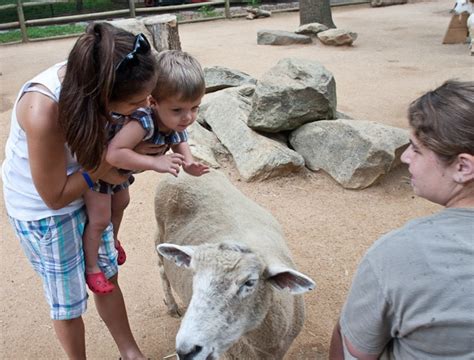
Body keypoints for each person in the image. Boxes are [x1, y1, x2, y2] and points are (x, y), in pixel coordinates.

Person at [2, 22, 161, 359]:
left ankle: (130, 353)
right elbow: (55, 195)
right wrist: (108, 165)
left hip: (88, 186)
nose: (146, 103)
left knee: (105, 273)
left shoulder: (99, 75)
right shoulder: (44, 110)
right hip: (45, 212)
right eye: (136, 101)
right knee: (69, 301)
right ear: (104, 97)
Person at [329, 80, 474, 359]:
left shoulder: (398, 254)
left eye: (417, 149)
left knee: (352, 325)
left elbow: (355, 352)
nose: (406, 157)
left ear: (463, 167)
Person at [82, 49, 209, 294]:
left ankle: (113, 242)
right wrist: (154, 162)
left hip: (119, 175)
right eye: (178, 110)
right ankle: (92, 268)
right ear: (153, 102)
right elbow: (113, 153)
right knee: (99, 218)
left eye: (195, 107)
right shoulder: (143, 121)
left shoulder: (172, 120)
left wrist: (189, 163)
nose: (188, 117)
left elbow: (179, 140)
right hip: (98, 174)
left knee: (121, 203)